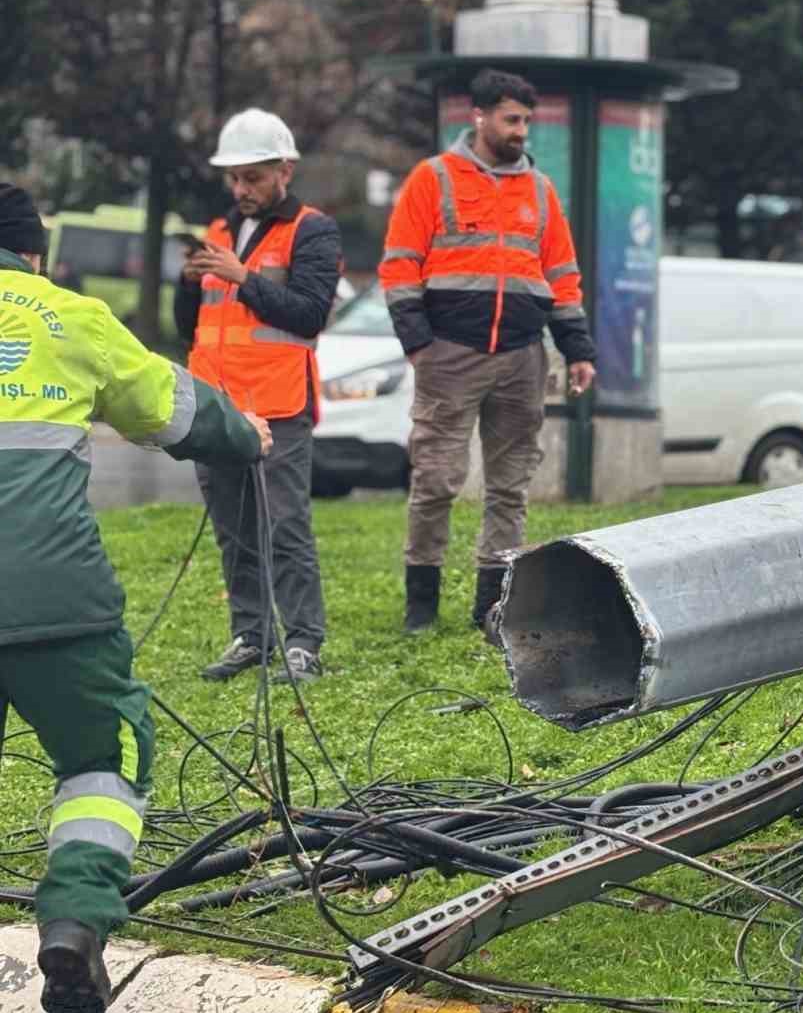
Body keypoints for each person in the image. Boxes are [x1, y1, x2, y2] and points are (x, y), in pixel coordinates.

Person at [0, 182, 270, 1013]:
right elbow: (177, 409)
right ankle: (76, 919)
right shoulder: (67, 316)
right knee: (103, 761)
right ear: (35, 253)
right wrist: (245, 432)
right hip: (57, 602)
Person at [380, 68, 596, 640]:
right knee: (436, 480)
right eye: (511, 119)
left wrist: (577, 350)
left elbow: (563, 277)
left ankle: (491, 607)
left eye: (527, 120)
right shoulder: (433, 179)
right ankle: (421, 606)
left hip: (523, 357)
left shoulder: (541, 192)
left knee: (510, 487)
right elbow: (399, 266)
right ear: (478, 118)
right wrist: (419, 344)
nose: (521, 130)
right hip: (450, 354)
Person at [175, 108, 342, 685]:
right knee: (234, 528)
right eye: (235, 178)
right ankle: (252, 635)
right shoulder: (219, 233)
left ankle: (303, 642)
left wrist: (243, 275)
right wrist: (189, 283)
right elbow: (188, 326)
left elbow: (308, 315)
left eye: (254, 177)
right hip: (216, 408)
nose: (242, 189)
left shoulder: (312, 230)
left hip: (278, 404)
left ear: (285, 170)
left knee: (285, 527)